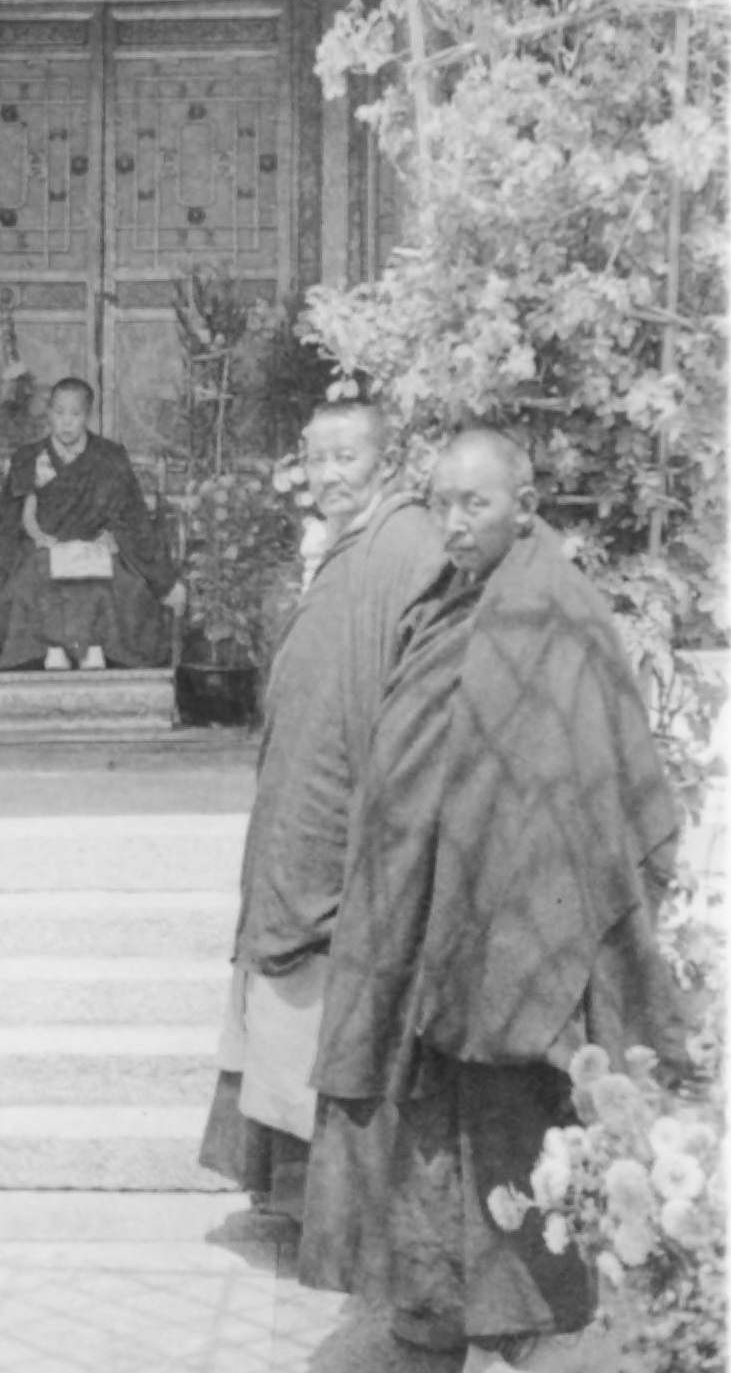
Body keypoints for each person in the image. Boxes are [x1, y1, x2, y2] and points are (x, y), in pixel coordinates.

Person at [299, 428, 687, 1372]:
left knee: (511, 1117)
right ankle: (430, 1305)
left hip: (515, 927)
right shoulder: (445, 603)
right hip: (422, 917)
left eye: (474, 504)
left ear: (523, 502)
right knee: (422, 1124)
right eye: (441, 503)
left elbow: (598, 771)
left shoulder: (555, 611)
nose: (455, 523)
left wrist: (517, 900)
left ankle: (522, 1316)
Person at [198, 400, 446, 1220]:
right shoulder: (345, 547)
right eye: (316, 458)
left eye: (347, 457)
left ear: (386, 460)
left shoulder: (403, 545)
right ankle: (302, 1196)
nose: (330, 475)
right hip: (302, 810)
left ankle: (334, 1205)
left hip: (344, 816)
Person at [0, 378, 186, 670]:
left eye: (75, 414)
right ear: (49, 413)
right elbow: (18, 518)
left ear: (88, 415)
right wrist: (41, 539)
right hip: (44, 545)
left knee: (111, 581)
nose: (66, 423)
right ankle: (59, 648)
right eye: (59, 413)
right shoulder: (29, 457)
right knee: (38, 574)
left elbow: (131, 516)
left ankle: (87, 649)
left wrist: (113, 538)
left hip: (96, 546)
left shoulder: (109, 456)